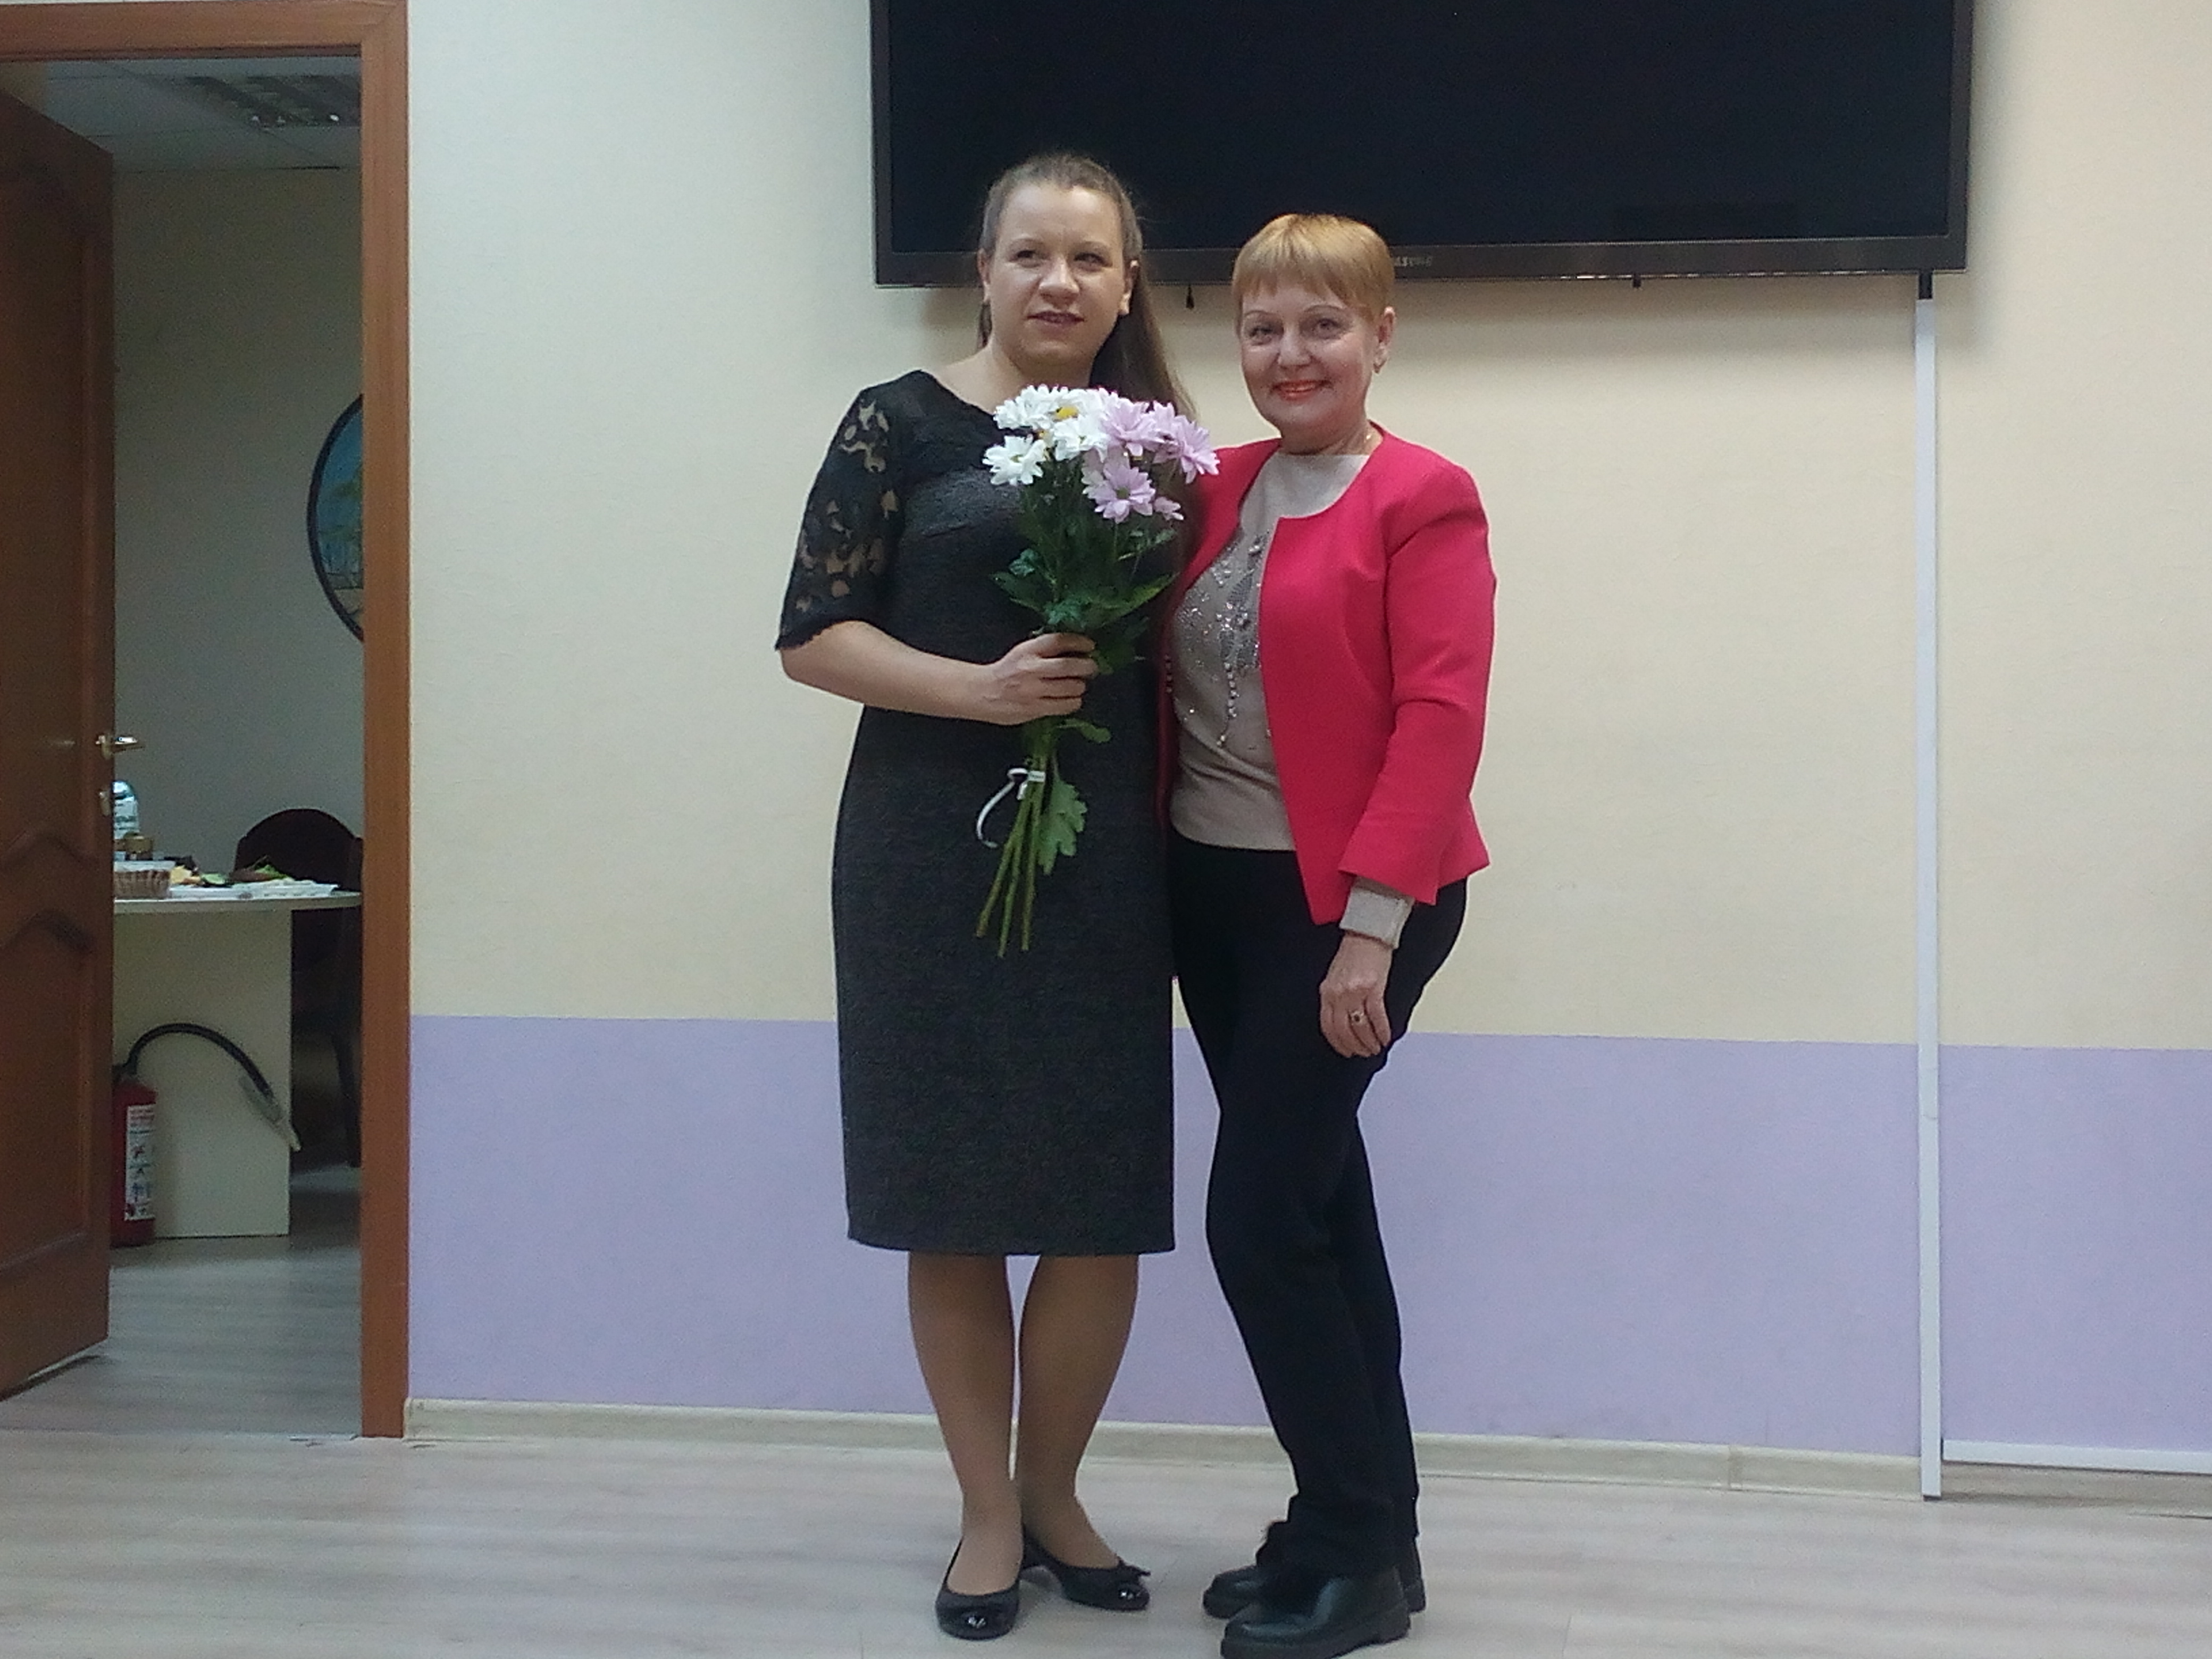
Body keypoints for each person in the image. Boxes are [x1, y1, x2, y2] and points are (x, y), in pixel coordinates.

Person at [776, 153, 1187, 1643]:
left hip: (1103, 862)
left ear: (1127, 284)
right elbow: (812, 635)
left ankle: (1057, 1492)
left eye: (1089, 258)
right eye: (1031, 254)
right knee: (948, 1201)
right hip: (923, 857)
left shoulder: (1159, 445)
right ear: (986, 270)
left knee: (1096, 1201)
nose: (1058, 281)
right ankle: (987, 1515)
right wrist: (981, 690)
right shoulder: (895, 422)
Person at [1165, 214, 1495, 1659]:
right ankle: (1362, 1530)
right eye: (1262, 329)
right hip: (1214, 900)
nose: (1289, 355)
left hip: (1352, 907)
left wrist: (1371, 935)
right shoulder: (1213, 485)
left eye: (1321, 326)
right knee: (1317, 1210)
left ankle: (1354, 1555)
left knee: (1254, 1225)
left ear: (1381, 335)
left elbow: (1441, 717)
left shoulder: (1425, 496)